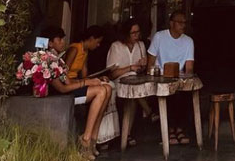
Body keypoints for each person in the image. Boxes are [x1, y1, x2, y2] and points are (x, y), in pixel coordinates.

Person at [42, 26, 112, 161]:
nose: (63, 42)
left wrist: (90, 80)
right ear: (50, 43)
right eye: (59, 39)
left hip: (73, 85)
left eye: (63, 39)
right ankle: (85, 139)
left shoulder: (56, 58)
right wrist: (86, 82)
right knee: (101, 91)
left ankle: (93, 138)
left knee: (107, 88)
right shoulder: (49, 60)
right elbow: (64, 85)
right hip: (64, 94)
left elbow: (72, 78)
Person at [107, 18, 158, 146]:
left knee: (133, 95)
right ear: (126, 33)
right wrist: (130, 68)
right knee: (134, 92)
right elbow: (112, 74)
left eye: (138, 32)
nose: (136, 35)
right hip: (120, 82)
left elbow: (141, 69)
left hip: (135, 82)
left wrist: (142, 65)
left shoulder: (140, 45)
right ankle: (149, 112)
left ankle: (127, 135)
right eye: (133, 33)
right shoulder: (116, 46)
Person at [147, 10, 194, 145]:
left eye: (184, 23)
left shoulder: (188, 41)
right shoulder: (159, 37)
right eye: (180, 22)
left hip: (178, 78)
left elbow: (189, 67)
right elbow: (150, 62)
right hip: (160, 78)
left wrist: (185, 79)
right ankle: (169, 130)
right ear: (171, 23)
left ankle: (178, 129)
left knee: (183, 94)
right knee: (169, 96)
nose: (183, 26)